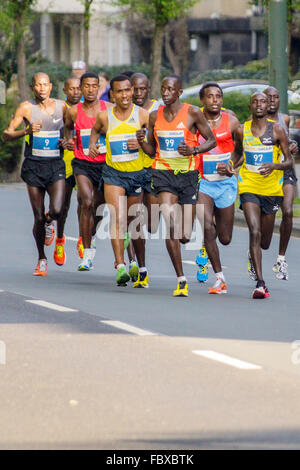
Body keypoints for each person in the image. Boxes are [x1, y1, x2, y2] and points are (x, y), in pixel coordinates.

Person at [136, 75, 216, 297]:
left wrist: (194, 150)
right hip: (163, 175)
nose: (166, 92)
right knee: (171, 224)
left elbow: (212, 140)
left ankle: (192, 245)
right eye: (163, 88)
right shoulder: (154, 116)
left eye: (171, 89)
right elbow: (152, 151)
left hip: (188, 176)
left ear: (179, 92)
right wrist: (141, 140)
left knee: (184, 235)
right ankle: (181, 279)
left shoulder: (192, 113)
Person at [2, 72, 67, 276]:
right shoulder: (26, 107)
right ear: (32, 87)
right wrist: (26, 131)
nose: (41, 88)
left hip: (56, 164)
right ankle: (41, 258)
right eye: (38, 85)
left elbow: (75, 127)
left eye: (45, 84)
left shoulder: (62, 107)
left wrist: (68, 141)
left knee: (56, 210)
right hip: (33, 166)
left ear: (51, 86)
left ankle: (51, 222)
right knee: (37, 216)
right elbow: (6, 135)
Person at [89, 74, 149, 287]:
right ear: (112, 94)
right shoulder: (105, 117)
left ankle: (133, 261)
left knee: (132, 221)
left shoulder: (142, 114)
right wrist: (92, 146)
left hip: (137, 175)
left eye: (127, 90)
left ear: (132, 91)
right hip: (113, 173)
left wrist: (142, 143)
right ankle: (121, 266)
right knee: (117, 218)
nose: (124, 95)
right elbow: (95, 132)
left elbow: (153, 143)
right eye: (119, 91)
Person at [232, 92, 292, 299]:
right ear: (250, 106)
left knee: (265, 242)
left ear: (268, 106)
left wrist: (274, 165)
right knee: (254, 232)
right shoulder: (242, 129)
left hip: (272, 190)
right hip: (248, 185)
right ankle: (260, 283)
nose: (259, 105)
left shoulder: (277, 130)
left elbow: (289, 161)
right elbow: (238, 152)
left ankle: (253, 253)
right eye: (255, 102)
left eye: (263, 102)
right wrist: (231, 166)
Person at [64, 72, 112, 271]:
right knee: (87, 201)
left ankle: (88, 235)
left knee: (98, 209)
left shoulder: (108, 109)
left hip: (104, 164)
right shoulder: (74, 111)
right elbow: (67, 128)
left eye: (94, 86)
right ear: (81, 88)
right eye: (87, 86)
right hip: (82, 163)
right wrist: (68, 141)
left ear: (99, 88)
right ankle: (87, 252)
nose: (90, 90)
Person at [196, 82, 241, 294]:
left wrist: (232, 165)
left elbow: (241, 152)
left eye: (218, 96)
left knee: (225, 238)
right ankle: (220, 278)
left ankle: (207, 244)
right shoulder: (195, 122)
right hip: (202, 182)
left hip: (225, 184)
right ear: (202, 100)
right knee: (207, 225)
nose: (215, 100)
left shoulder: (231, 122)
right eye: (210, 96)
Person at [124, 72, 161, 282]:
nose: (138, 93)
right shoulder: (123, 110)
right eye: (134, 89)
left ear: (148, 89)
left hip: (154, 169)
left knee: (152, 224)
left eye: (141, 89)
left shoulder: (158, 109)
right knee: (134, 219)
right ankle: (135, 263)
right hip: (132, 170)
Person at [264, 86, 298, 281]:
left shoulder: (284, 119)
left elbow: (288, 141)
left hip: (285, 171)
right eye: (269, 97)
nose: (272, 101)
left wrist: (293, 144)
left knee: (287, 210)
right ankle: (254, 252)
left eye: (276, 97)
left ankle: (281, 259)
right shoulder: (257, 122)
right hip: (267, 173)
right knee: (263, 224)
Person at [53, 77, 83, 266]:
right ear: (64, 90)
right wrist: (61, 141)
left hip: (83, 162)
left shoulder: (87, 109)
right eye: (71, 88)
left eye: (78, 88)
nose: (75, 92)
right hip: (64, 164)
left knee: (86, 202)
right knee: (63, 208)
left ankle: (83, 238)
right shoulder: (59, 109)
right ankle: (60, 239)